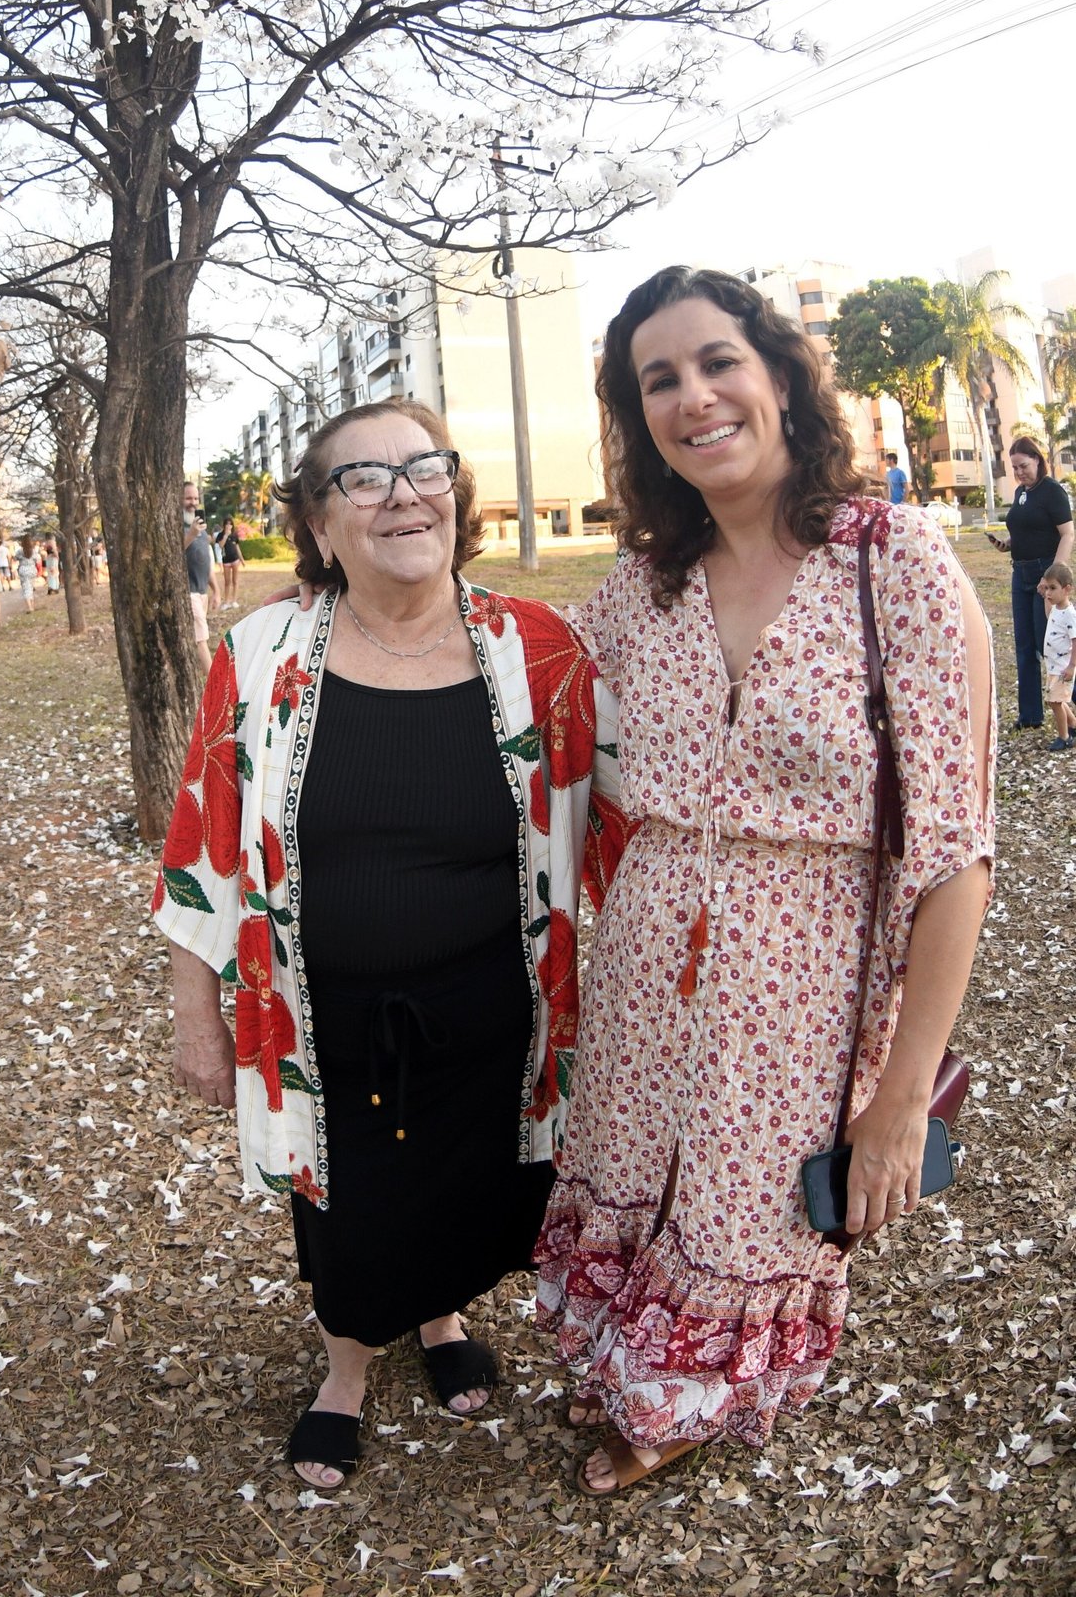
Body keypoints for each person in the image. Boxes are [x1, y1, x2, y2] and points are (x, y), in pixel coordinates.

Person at [534, 266, 994, 1493]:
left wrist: (901, 1100)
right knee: (633, 1168)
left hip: (806, 974)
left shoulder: (890, 559)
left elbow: (955, 854)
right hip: (649, 953)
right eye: (660, 382)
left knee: (751, 1208)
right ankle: (631, 1359)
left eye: (717, 362)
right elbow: (521, 698)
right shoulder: (643, 583)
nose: (694, 398)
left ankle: (687, 1397)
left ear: (781, 374)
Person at [155, 401, 625, 1493]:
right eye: (361, 479)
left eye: (424, 468)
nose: (402, 493)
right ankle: (345, 1370)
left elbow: (620, 824)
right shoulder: (261, 656)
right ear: (320, 527)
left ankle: (441, 1309)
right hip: (321, 1015)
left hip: (492, 1012)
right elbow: (205, 843)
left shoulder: (541, 651)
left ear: (453, 498)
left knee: (464, 1185)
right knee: (346, 1204)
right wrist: (197, 1019)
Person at [989, 436, 1073, 729]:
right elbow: (1026, 530)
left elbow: (1067, 534)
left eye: (1023, 465)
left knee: (1049, 644)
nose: (1019, 472)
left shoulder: (1052, 492)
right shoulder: (1021, 493)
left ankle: (1069, 711)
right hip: (1019, 574)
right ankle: (1030, 716)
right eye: (1014, 468)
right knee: (1024, 646)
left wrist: (1053, 577)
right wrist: (1006, 543)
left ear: (1037, 459)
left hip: (1044, 576)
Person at [1039, 561, 1076, 751]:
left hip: (1062, 667)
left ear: (1067, 589)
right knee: (1056, 700)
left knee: (1054, 702)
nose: (1048, 593)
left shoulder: (1070, 614)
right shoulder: (1055, 609)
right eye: (1047, 588)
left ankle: (1065, 737)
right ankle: (1074, 725)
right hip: (1052, 665)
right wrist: (1045, 596)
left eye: (1053, 588)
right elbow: (1048, 616)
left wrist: (1071, 665)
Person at [182, 486, 215, 670]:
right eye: (188, 498)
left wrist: (216, 591)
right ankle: (213, 684)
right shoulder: (178, 526)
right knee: (201, 638)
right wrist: (191, 535)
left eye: (195, 498)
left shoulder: (201, 528)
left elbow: (207, 562)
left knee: (196, 635)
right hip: (189, 591)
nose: (193, 502)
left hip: (202, 591)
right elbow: (173, 553)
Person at [218, 518, 245, 609]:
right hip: (226, 561)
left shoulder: (234, 535)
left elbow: (237, 548)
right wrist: (225, 535)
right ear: (224, 525)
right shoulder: (220, 535)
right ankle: (226, 602)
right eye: (227, 524)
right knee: (227, 582)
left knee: (235, 581)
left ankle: (234, 600)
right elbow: (221, 545)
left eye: (230, 524)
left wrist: (242, 559)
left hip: (235, 560)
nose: (229, 526)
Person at [17, 534, 39, 611]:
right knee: (31, 587)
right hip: (32, 569)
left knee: (26, 589)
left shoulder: (20, 551)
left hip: (23, 569)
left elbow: (15, 558)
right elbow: (37, 560)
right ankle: (32, 606)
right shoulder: (34, 551)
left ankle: (29, 607)